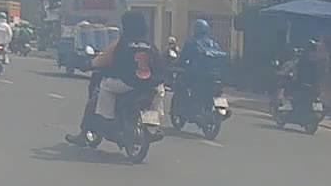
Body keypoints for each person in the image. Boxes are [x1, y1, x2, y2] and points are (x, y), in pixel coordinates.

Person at [66, 10, 165, 145]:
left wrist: (88, 65)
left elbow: (107, 61)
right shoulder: (150, 45)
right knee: (158, 92)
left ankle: (106, 119)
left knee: (105, 86)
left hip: (128, 83)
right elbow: (160, 65)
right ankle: (153, 126)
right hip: (149, 84)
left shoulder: (122, 43)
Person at [177, 19, 224, 109]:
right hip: (215, 76)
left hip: (196, 75)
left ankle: (187, 107)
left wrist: (178, 65)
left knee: (182, 85)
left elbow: (182, 59)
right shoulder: (214, 44)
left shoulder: (191, 43)